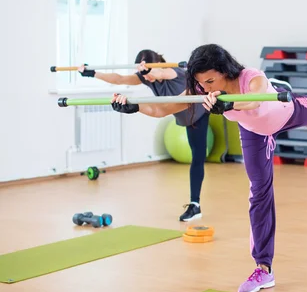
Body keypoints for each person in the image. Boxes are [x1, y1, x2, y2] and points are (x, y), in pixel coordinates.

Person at [109, 44, 307, 292]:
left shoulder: (250, 77)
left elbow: (253, 102)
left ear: (224, 71)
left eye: (210, 82)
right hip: (254, 131)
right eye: (201, 83)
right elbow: (161, 108)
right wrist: (134, 107)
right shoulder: (201, 89)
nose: (204, 88)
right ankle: (264, 269)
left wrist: (229, 104)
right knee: (259, 194)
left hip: (286, 111)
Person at [78, 49, 209, 222]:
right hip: (181, 115)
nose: (145, 78)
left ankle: (195, 205)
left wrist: (149, 71)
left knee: (197, 158)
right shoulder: (146, 77)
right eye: (142, 74)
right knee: (195, 156)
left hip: (198, 113)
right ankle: (195, 205)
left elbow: (161, 72)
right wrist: (93, 73)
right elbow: (119, 79)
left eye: (146, 73)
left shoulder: (173, 71)